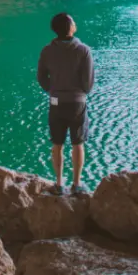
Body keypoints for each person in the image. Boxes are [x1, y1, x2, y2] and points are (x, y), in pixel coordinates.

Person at [37, 13, 94, 196]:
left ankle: (59, 184)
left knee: (57, 144)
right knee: (78, 144)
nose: (75, 23)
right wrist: (80, 92)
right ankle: (76, 184)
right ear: (70, 27)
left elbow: (41, 77)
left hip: (56, 103)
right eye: (73, 21)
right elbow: (88, 83)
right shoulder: (83, 51)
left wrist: (52, 90)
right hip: (77, 103)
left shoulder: (47, 51)